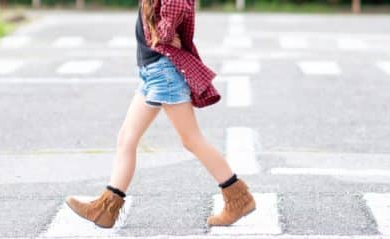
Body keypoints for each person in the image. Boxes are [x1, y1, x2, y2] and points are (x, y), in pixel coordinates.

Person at [64, 0, 256, 228]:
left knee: (192, 140)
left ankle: (238, 198)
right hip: (151, 72)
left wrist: (163, 33)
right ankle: (106, 209)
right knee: (126, 138)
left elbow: (177, 6)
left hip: (164, 71)